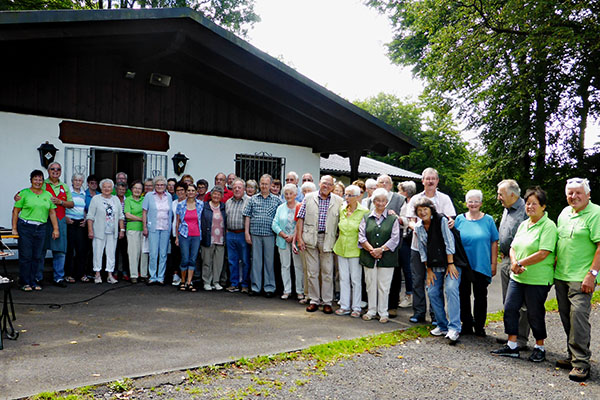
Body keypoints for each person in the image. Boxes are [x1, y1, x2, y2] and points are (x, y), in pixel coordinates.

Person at [491, 187, 557, 362]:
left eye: (534, 204)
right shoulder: (524, 224)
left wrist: (521, 263)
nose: (530, 207)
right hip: (517, 276)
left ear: (543, 206)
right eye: (528, 204)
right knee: (510, 308)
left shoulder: (549, 226)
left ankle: (539, 347)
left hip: (538, 279)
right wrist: (514, 263)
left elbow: (544, 252)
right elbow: (513, 247)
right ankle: (512, 345)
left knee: (534, 313)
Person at [554, 178, 600, 382]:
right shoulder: (564, 213)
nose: (574, 196)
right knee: (567, 318)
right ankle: (573, 356)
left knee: (579, 319)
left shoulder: (596, 213)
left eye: (578, 192)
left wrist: (592, 274)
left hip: (582, 278)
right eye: (570, 193)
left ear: (588, 194)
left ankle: (581, 363)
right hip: (561, 275)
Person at [406, 167, 456, 324]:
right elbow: (410, 220)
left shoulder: (444, 199)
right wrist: (417, 229)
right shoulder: (415, 199)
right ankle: (419, 312)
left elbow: (450, 218)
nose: (430, 181)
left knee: (435, 281)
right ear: (422, 181)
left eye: (433, 178)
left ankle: (436, 315)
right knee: (417, 280)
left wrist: (450, 222)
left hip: (437, 250)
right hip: (417, 246)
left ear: (437, 181)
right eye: (427, 178)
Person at [414, 197, 461, 343]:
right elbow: (423, 250)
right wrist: (428, 270)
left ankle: (454, 327)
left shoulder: (441, 220)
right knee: (432, 291)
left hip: (451, 262)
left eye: (425, 209)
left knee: (451, 289)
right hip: (433, 265)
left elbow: (449, 242)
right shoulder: (418, 227)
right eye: (419, 210)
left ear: (431, 209)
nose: (422, 213)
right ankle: (442, 325)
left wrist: (451, 263)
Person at [455, 189, 499, 336]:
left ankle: (479, 326)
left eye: (476, 201)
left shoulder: (489, 220)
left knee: (481, 296)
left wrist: (494, 264)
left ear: (481, 203)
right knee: (463, 294)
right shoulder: (459, 219)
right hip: (463, 265)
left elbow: (494, 242)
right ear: (466, 203)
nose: (473, 204)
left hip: (481, 263)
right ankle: (466, 324)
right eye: (470, 201)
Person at [296, 175, 343, 313]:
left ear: (333, 187)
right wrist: (299, 238)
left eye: (329, 184)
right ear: (319, 183)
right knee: (312, 272)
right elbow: (300, 218)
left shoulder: (339, 201)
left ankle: (327, 302)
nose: (326, 186)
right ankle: (314, 300)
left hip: (328, 239)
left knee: (327, 272)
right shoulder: (309, 197)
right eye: (324, 183)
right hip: (310, 238)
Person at [12, 170, 59, 291]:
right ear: (31, 180)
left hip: (41, 228)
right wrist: (14, 229)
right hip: (25, 227)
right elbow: (16, 211)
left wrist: (55, 229)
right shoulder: (24, 193)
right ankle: (24, 282)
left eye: (40, 179)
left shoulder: (47, 195)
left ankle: (34, 281)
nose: (38, 182)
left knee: (37, 256)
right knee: (26, 256)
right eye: (35, 179)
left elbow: (52, 213)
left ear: (43, 181)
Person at [358, 188, 401, 323]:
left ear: (387, 202)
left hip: (387, 258)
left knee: (384, 286)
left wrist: (380, 250)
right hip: (368, 256)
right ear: (373, 201)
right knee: (370, 284)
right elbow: (361, 236)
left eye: (383, 200)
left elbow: (395, 238)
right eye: (377, 200)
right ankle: (371, 310)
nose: (380, 203)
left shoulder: (393, 219)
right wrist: (372, 250)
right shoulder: (366, 217)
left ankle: (383, 312)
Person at [497, 179, 529, 348]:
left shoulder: (526, 210)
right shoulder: (507, 209)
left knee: (522, 303)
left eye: (500, 194)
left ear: (512, 195)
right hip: (506, 259)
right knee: (509, 300)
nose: (498, 198)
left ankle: (521, 338)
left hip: (521, 261)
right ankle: (512, 336)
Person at [372, 174, 406, 318]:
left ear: (391, 185)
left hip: (392, 245)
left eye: (387, 182)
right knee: (373, 277)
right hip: (373, 246)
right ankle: (374, 306)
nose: (384, 184)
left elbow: (406, 219)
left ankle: (391, 306)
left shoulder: (400, 199)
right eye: (381, 182)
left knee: (394, 276)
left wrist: (397, 217)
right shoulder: (370, 199)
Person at [333, 185, 369, 317]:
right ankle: (344, 305)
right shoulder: (342, 209)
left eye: (349, 195)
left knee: (355, 279)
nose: (346, 198)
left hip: (355, 250)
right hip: (341, 248)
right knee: (343, 278)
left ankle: (356, 307)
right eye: (346, 195)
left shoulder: (364, 212)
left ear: (358, 196)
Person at [243, 174, 282, 296]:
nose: (264, 186)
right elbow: (247, 216)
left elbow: (279, 219)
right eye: (262, 183)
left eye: (266, 184)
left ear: (271, 185)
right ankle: (255, 287)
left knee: (269, 262)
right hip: (255, 234)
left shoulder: (277, 200)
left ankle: (269, 288)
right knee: (256, 261)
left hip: (270, 234)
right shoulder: (253, 199)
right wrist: (246, 233)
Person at [42, 162, 74, 287]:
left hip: (60, 220)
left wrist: (60, 201)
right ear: (48, 171)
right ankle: (38, 277)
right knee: (41, 250)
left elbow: (71, 204)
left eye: (58, 169)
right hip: (44, 219)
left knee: (60, 251)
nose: (55, 171)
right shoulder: (42, 184)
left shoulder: (64, 186)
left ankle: (58, 278)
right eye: (53, 169)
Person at [87, 179, 125, 284]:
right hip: (99, 231)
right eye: (104, 187)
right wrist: (90, 230)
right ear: (101, 188)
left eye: (109, 187)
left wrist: (121, 230)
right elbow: (90, 216)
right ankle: (97, 274)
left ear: (112, 188)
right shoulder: (96, 199)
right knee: (98, 252)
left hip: (112, 232)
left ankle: (110, 275)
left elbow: (121, 216)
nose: (107, 189)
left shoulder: (116, 199)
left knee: (111, 253)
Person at [272, 183, 303, 299]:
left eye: (291, 193)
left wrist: (293, 237)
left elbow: (301, 224)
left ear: (295, 194)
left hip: (296, 241)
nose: (288, 196)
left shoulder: (300, 206)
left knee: (298, 266)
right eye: (286, 193)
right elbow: (274, 224)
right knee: (285, 266)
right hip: (283, 240)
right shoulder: (280, 208)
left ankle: (299, 291)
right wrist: (284, 235)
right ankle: (287, 290)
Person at [143, 176, 173, 285]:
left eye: (162, 185)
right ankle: (152, 276)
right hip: (153, 227)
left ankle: (161, 276)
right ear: (155, 186)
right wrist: (144, 227)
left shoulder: (169, 196)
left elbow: (170, 212)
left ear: (165, 186)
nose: (160, 187)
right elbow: (144, 212)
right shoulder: (149, 196)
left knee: (163, 253)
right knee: (153, 253)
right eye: (157, 185)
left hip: (165, 227)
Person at [176, 183, 203, 292]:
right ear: (186, 192)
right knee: (185, 258)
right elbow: (177, 222)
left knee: (193, 259)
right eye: (189, 190)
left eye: (193, 190)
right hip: (184, 234)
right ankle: (182, 280)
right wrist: (177, 237)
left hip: (196, 235)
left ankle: (189, 282)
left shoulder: (200, 204)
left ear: (196, 192)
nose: (191, 192)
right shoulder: (181, 205)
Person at [225, 179, 251, 293]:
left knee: (245, 260)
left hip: (242, 234)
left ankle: (245, 284)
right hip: (230, 233)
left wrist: (247, 234)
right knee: (232, 260)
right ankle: (234, 283)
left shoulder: (249, 201)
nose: (236, 189)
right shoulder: (228, 202)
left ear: (244, 189)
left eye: (239, 187)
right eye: (234, 187)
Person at [201, 185, 227, 291]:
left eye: (219, 194)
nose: (216, 196)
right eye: (214, 193)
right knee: (207, 261)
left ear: (221, 196)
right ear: (211, 195)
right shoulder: (204, 206)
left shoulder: (224, 207)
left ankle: (216, 281)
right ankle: (207, 281)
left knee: (218, 262)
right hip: (208, 237)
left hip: (220, 238)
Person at [64, 173, 87, 283]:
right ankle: (69, 274)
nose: (78, 182)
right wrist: (65, 218)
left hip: (80, 223)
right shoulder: (68, 192)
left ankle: (81, 274)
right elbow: (60, 206)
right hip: (70, 222)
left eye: (80, 180)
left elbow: (85, 209)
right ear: (72, 181)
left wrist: (85, 219)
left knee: (81, 249)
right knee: (70, 250)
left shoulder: (83, 193)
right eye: (76, 180)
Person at [397, 181, 416, 308]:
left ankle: (409, 295)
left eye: (400, 190)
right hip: (401, 238)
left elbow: (407, 221)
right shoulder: (404, 202)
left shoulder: (411, 204)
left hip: (407, 238)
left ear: (405, 192)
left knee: (407, 268)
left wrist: (397, 218)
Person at [124, 181, 145, 284]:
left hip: (144, 229)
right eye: (135, 188)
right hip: (132, 229)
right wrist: (142, 219)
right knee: (133, 252)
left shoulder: (144, 200)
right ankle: (134, 274)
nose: (137, 190)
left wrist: (140, 220)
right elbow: (128, 215)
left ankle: (143, 274)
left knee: (144, 252)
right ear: (131, 189)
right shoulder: (128, 200)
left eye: (139, 188)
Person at [168, 181, 187, 286]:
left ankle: (185, 276)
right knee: (175, 254)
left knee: (185, 255)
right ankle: (176, 275)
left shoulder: (189, 202)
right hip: (175, 232)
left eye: (182, 190)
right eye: (178, 190)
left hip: (186, 233)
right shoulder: (174, 203)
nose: (180, 192)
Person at [114, 182, 129, 281]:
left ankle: (124, 271)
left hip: (126, 227)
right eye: (119, 189)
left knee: (125, 251)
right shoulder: (113, 200)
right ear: (116, 190)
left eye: (123, 190)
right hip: (114, 227)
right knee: (114, 250)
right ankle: (114, 271)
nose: (121, 191)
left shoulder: (127, 200)